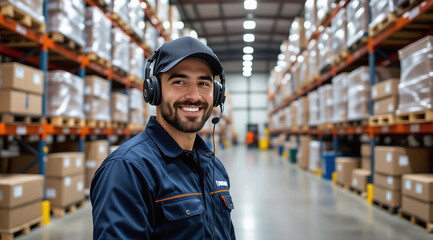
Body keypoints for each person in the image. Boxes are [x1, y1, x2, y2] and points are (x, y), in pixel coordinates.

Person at [90, 36, 236, 239]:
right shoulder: (128, 169)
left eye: (204, 83)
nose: (194, 95)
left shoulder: (213, 166)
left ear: (217, 94)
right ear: (154, 90)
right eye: (180, 81)